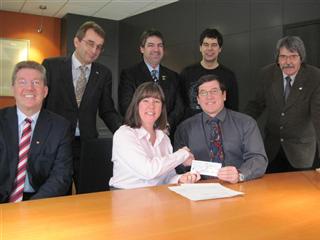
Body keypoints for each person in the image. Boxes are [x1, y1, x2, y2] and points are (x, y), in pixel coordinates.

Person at [42, 21, 122, 191]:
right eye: (90, 43)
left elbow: (107, 110)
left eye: (99, 47)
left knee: (90, 196)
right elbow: (41, 105)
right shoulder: (51, 66)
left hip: (87, 145)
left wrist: (126, 132)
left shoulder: (104, 73)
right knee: (57, 196)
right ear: (77, 41)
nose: (94, 51)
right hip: (56, 143)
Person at [0, 61, 73, 203]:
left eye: (36, 83)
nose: (29, 88)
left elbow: (61, 176)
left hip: (40, 200)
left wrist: (32, 207)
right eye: (22, 82)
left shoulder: (60, 127)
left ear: (45, 91)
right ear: (13, 89)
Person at [245, 36, 320, 173]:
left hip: (301, 153)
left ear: (301, 58)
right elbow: (255, 106)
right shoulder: (267, 74)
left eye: (293, 56)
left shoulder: (314, 77)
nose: (288, 62)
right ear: (277, 59)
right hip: (272, 150)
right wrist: (240, 127)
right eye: (283, 57)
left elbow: (318, 118)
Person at [175, 74, 267, 183]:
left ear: (224, 95)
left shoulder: (246, 123)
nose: (209, 96)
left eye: (214, 91)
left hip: (238, 187)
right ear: (198, 100)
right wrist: (182, 164)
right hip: (199, 188)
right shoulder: (184, 128)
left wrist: (240, 174)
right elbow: (175, 166)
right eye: (203, 93)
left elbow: (258, 159)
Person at [109, 82, 200, 189]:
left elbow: (166, 177)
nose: (151, 106)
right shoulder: (124, 134)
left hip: (156, 195)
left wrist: (179, 178)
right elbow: (148, 171)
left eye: (156, 101)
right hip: (126, 196)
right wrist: (182, 154)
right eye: (145, 100)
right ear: (136, 105)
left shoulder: (164, 137)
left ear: (162, 108)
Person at [118, 29, 184, 136]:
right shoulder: (129, 74)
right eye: (151, 45)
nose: (156, 49)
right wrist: (148, 127)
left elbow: (179, 107)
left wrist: (166, 125)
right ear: (142, 49)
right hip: (139, 135)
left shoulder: (173, 76)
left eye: (160, 45)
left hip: (167, 135)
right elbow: (126, 106)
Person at [180, 28, 238, 120]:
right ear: (200, 47)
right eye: (206, 45)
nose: (209, 49)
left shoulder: (229, 75)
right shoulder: (187, 73)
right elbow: (180, 105)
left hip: (220, 129)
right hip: (191, 129)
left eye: (214, 45)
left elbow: (233, 108)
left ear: (220, 49)